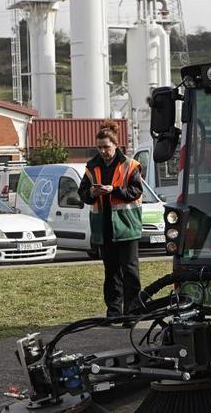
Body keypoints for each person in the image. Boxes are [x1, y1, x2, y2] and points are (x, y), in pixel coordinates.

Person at [79, 121, 144, 318]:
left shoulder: (130, 165)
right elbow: (82, 194)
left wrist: (113, 190)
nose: (103, 151)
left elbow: (136, 191)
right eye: (99, 147)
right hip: (104, 228)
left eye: (106, 147)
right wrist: (91, 192)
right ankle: (114, 312)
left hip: (126, 227)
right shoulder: (92, 167)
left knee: (130, 272)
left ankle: (132, 312)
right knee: (111, 273)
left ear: (116, 145)